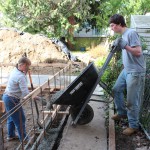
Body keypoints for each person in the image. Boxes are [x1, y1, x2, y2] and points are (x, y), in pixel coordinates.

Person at [109, 14, 146, 135]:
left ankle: (133, 126)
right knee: (116, 90)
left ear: (120, 24)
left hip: (135, 72)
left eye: (113, 25)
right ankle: (121, 113)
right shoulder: (123, 35)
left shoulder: (131, 33)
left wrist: (125, 46)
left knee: (131, 100)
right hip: (126, 70)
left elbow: (138, 51)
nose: (112, 28)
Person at [2, 57, 31, 142]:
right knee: (21, 119)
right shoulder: (20, 76)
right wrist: (34, 96)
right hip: (12, 99)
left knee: (11, 117)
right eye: (27, 67)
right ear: (23, 65)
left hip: (7, 97)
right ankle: (24, 139)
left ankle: (11, 135)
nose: (28, 69)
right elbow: (25, 92)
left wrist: (24, 73)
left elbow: (22, 86)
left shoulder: (16, 70)